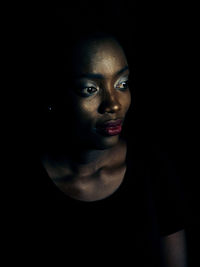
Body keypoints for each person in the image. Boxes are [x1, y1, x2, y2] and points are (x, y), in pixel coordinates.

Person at [28, 25, 188, 266]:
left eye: (122, 84)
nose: (113, 105)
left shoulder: (153, 169)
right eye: (90, 89)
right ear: (55, 95)